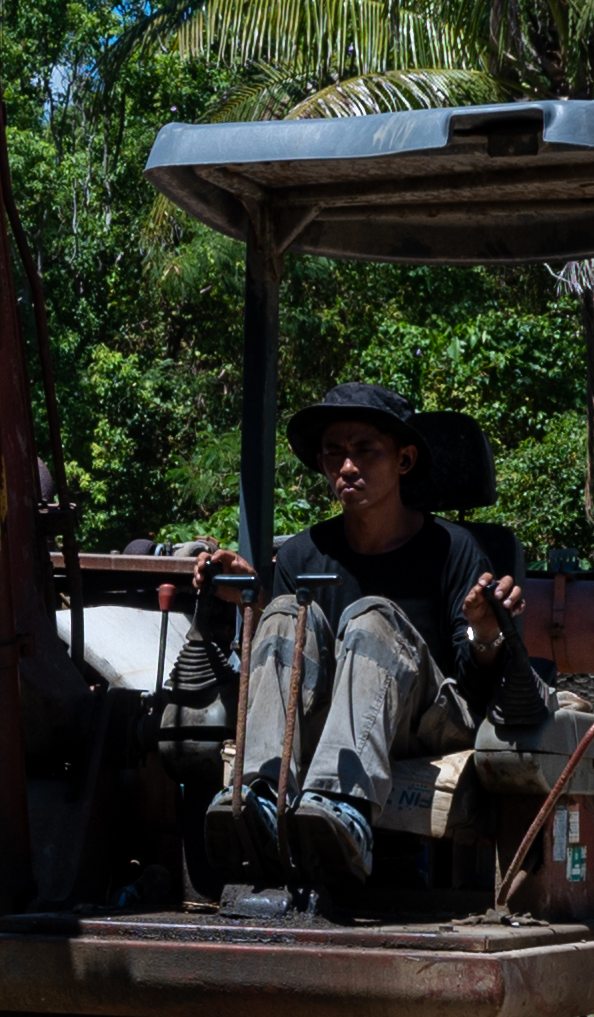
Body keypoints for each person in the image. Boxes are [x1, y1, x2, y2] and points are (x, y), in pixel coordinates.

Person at [200, 379, 551, 896]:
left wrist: (486, 628)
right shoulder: (300, 555)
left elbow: (476, 687)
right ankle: (258, 799)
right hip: (330, 717)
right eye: (334, 454)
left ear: (404, 460)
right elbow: (288, 671)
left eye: (365, 450)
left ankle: (346, 813)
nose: (347, 466)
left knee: (372, 616)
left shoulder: (455, 550)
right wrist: (241, 598)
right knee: (278, 613)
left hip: (429, 720)